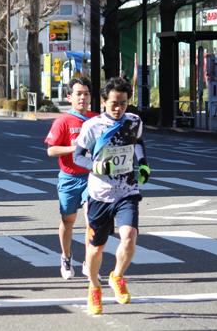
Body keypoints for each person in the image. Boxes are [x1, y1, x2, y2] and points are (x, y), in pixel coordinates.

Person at [73, 77, 150, 315]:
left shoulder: (134, 121)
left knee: (129, 236)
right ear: (104, 101)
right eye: (114, 103)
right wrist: (96, 167)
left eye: (124, 103)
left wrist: (144, 164)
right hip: (100, 193)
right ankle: (94, 286)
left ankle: (117, 275)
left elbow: (137, 143)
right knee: (97, 247)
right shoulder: (93, 126)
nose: (119, 108)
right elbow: (77, 155)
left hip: (127, 190)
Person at [44, 77, 97, 279]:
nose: (82, 97)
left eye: (86, 93)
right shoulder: (63, 121)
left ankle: (88, 262)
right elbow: (51, 150)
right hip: (69, 177)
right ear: (70, 97)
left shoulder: (97, 119)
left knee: (91, 220)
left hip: (92, 177)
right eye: (78, 94)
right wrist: (75, 148)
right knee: (68, 220)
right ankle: (66, 258)